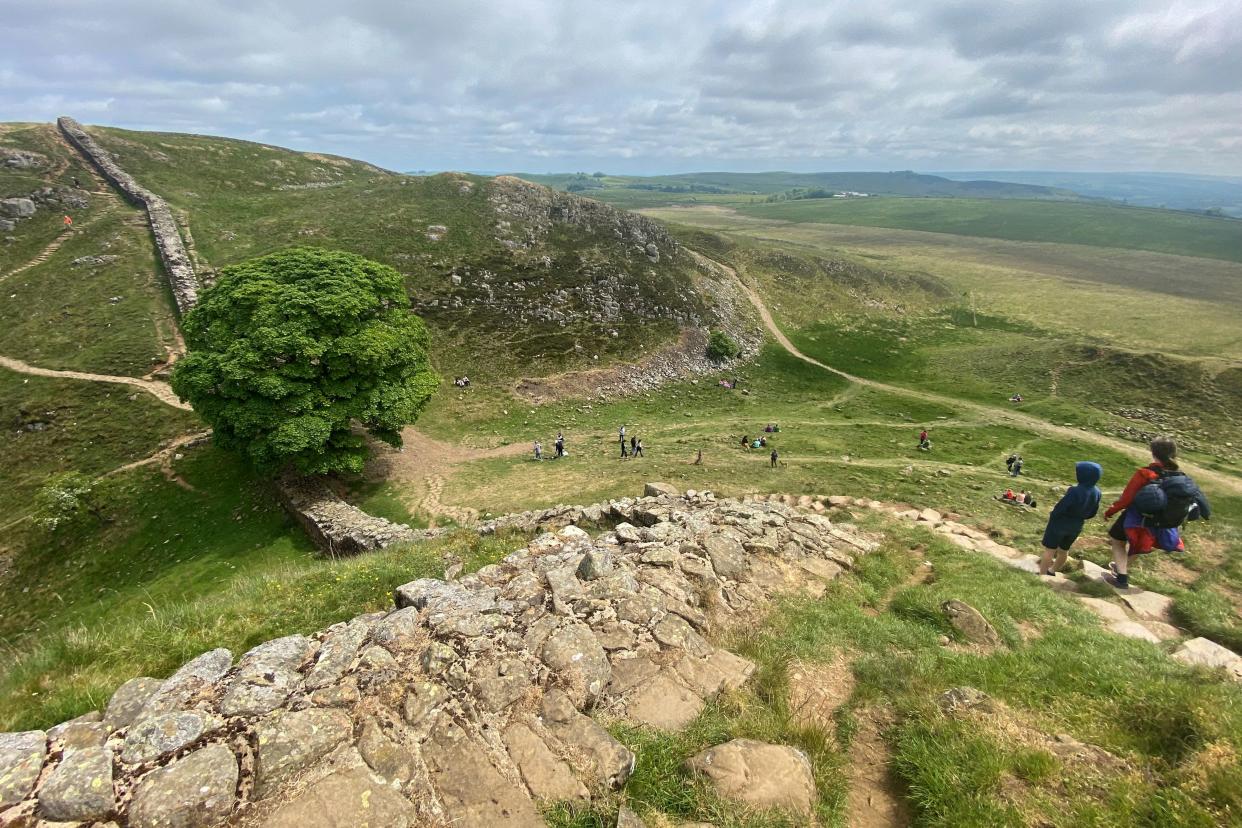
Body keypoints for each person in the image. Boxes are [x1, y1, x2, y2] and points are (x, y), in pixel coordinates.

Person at [1104, 438, 1210, 589]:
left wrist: (1110, 511)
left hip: (1137, 517)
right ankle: (1121, 567)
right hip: (1161, 521)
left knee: (1117, 540)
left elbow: (1126, 499)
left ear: (1153, 453)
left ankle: (1121, 578)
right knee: (1139, 545)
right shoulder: (1180, 476)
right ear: (1174, 454)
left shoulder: (1145, 473)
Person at [1038, 461, 1101, 576]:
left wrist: (1053, 515)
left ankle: (1042, 575)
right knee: (1063, 550)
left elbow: (1061, 507)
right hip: (1077, 525)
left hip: (1060, 523)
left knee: (1050, 550)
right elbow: (1093, 512)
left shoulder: (1074, 491)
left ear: (1083, 475)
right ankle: (1052, 571)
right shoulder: (1097, 492)